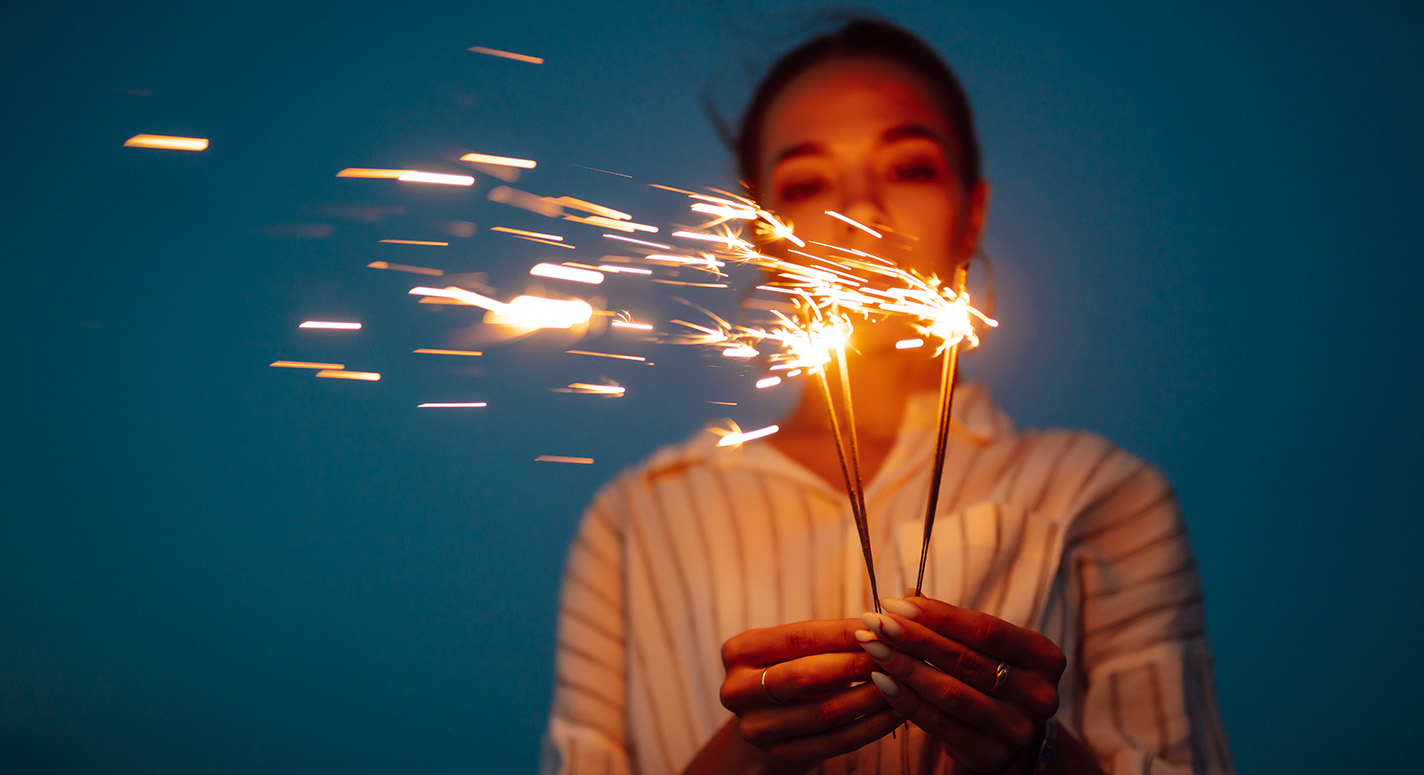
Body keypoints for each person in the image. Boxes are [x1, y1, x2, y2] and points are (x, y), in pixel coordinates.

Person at [543, 19, 1233, 775]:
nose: (860, 214)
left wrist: (1036, 756)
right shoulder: (636, 518)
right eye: (807, 184)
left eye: (908, 168)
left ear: (971, 214)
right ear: (763, 238)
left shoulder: (1103, 493)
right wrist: (747, 753)